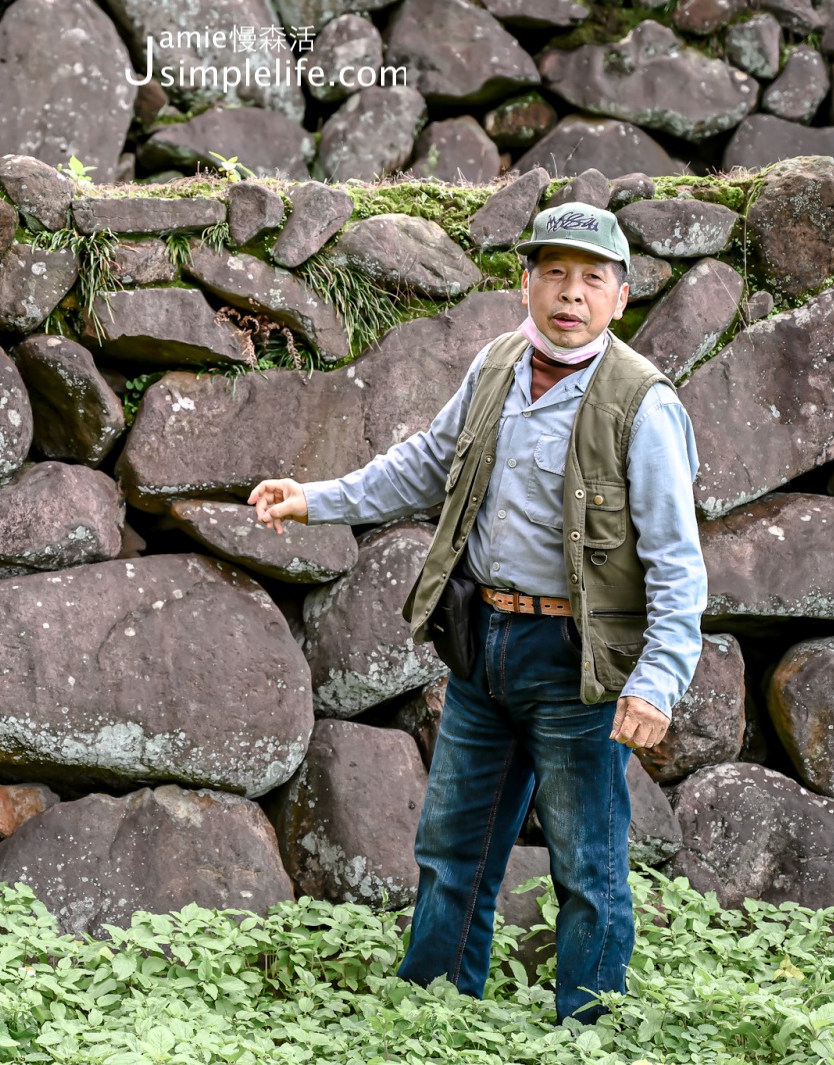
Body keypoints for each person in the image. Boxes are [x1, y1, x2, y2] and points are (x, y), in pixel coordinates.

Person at [247, 202, 707, 1025]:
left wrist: (658, 681)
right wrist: (315, 499)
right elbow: (425, 464)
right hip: (482, 644)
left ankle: (589, 1028)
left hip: (578, 662)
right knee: (451, 846)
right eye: (554, 273)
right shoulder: (496, 364)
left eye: (591, 278)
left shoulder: (645, 404)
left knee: (587, 865)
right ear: (524, 281)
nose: (570, 294)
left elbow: (677, 561)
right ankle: (434, 1013)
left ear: (622, 295)